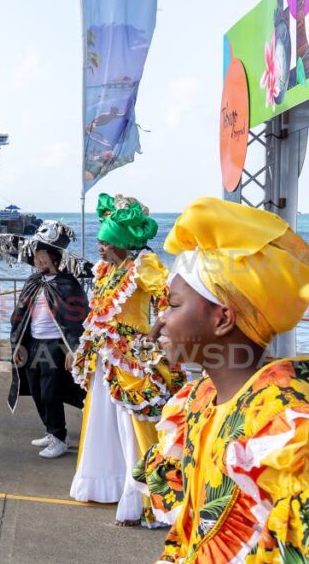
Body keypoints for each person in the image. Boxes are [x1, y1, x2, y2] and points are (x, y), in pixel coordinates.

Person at [136, 198, 309, 562]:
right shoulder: (199, 398)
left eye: (174, 305)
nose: (159, 323)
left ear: (223, 319)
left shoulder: (287, 428)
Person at [69, 194, 185, 527]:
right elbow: (99, 315)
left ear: (120, 242)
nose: (100, 247)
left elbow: (169, 299)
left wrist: (154, 334)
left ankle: (145, 500)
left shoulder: (143, 265)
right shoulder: (108, 269)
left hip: (135, 358)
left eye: (105, 241)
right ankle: (106, 484)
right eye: (101, 241)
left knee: (135, 425)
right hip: (106, 356)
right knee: (102, 421)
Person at [0, 221, 90, 459]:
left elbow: (78, 319)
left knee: (51, 392)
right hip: (34, 344)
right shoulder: (33, 282)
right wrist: (17, 344)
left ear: (55, 258)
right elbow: (19, 315)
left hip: (56, 345)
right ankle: (51, 431)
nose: (37, 260)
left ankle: (60, 437)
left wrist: (73, 349)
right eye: (35, 255)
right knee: (36, 389)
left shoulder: (68, 285)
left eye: (42, 256)